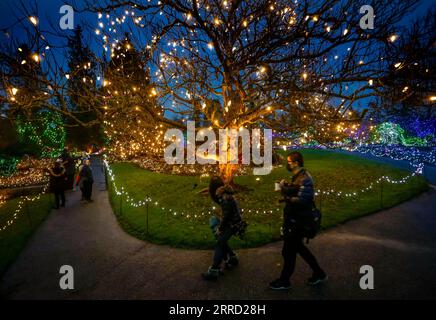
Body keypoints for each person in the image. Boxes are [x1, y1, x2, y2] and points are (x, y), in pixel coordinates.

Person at [270, 151, 327, 290]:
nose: (287, 164)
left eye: (289, 162)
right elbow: (296, 190)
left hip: (298, 221)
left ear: (296, 163)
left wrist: (286, 196)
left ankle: (284, 281)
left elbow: (303, 200)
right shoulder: (298, 176)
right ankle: (319, 273)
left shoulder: (305, 178)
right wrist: (284, 186)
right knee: (298, 249)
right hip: (294, 219)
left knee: (289, 251)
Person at [202, 176, 242, 281]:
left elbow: (226, 217)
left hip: (233, 224)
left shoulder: (224, 198)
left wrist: (220, 228)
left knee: (219, 242)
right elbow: (225, 215)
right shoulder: (224, 194)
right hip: (231, 222)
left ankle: (214, 271)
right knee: (213, 221)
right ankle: (232, 258)